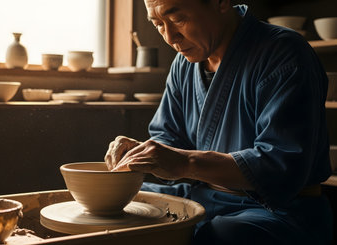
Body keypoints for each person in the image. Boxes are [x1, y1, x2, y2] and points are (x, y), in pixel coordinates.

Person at [104, 0, 333, 244]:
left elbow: (280, 164)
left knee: (224, 234)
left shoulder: (283, 52)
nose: (170, 37)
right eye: (159, 24)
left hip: (277, 210)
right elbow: (168, 137)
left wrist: (186, 162)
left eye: (177, 19)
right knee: (117, 202)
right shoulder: (183, 64)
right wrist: (143, 153)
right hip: (204, 196)